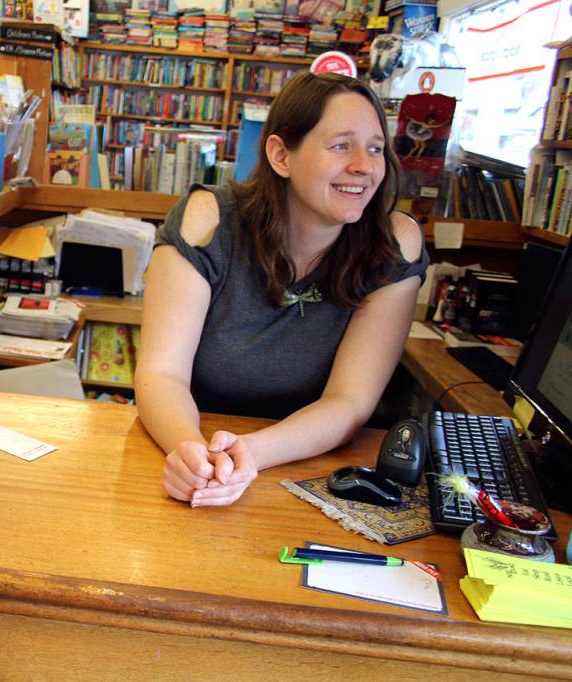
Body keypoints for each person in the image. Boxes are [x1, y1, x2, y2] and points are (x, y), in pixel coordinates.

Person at [134, 72, 428, 508]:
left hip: (309, 467)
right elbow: (162, 373)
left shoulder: (394, 242)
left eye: (375, 148)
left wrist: (251, 453)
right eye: (341, 145)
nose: (364, 167)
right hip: (191, 442)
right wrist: (191, 453)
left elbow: (350, 401)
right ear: (280, 155)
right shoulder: (209, 219)